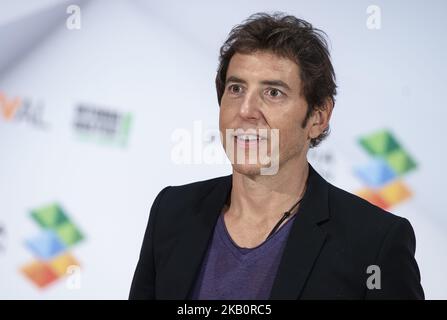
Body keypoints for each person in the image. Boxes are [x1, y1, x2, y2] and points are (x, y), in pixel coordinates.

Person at [129, 12, 424, 300]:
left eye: (273, 93)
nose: (245, 110)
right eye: (236, 88)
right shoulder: (172, 211)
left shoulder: (374, 243)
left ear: (318, 117)